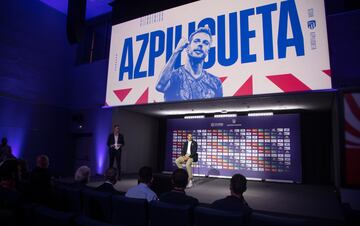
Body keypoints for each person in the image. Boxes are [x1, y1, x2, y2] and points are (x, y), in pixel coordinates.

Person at [156, 26, 223, 101]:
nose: (200, 44)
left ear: (208, 51)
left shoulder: (215, 82)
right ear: (187, 47)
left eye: (205, 43)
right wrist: (177, 51)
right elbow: (160, 86)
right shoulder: (174, 76)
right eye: (196, 41)